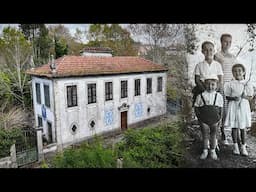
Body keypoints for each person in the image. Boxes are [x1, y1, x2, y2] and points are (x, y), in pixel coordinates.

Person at [224, 63, 253, 156]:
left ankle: (243, 147)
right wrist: (233, 98)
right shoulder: (230, 84)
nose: (237, 73)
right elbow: (227, 96)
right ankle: (236, 147)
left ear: (243, 72)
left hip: (243, 107)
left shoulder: (247, 83)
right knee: (234, 127)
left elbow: (250, 97)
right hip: (233, 106)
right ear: (232, 73)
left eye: (239, 70)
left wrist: (245, 97)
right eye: (235, 71)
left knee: (242, 127)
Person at [214, 33, 237, 145]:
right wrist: (219, 86)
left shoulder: (233, 57)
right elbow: (216, 72)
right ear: (221, 42)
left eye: (229, 42)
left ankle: (227, 134)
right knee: (222, 110)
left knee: (230, 111)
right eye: (225, 41)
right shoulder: (217, 56)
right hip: (221, 85)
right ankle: (221, 134)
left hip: (231, 86)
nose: (227, 44)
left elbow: (234, 72)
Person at [194, 76, 223, 160]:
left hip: (215, 119)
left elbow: (221, 109)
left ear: (216, 85)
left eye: (213, 84)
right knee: (205, 135)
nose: (210, 86)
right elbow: (196, 107)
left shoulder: (218, 96)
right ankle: (205, 150)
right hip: (204, 120)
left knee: (214, 135)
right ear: (204, 85)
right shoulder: (201, 95)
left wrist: (219, 119)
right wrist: (199, 118)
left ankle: (213, 151)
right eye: (208, 84)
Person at [193, 41, 224, 106]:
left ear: (214, 51)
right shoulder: (199, 65)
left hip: (215, 89)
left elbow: (220, 80)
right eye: (206, 50)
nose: (208, 52)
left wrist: (215, 90)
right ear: (202, 51)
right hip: (202, 89)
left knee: (217, 106)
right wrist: (205, 91)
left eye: (210, 50)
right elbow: (197, 80)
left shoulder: (217, 65)